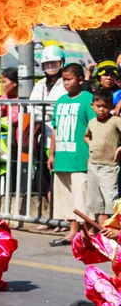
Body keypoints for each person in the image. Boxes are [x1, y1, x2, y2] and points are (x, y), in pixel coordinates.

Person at [48, 63, 96, 247]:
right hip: (62, 157)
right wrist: (51, 154)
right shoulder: (60, 101)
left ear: (81, 80)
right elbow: (55, 129)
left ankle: (88, 233)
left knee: (82, 197)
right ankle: (72, 232)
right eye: (64, 80)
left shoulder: (87, 99)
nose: (66, 83)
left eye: (70, 79)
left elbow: (94, 128)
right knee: (67, 199)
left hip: (80, 158)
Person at [29, 46, 67, 230]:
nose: (51, 66)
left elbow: (59, 108)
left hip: (61, 138)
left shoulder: (65, 83)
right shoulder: (40, 84)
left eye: (54, 63)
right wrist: (47, 111)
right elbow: (32, 108)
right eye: (47, 63)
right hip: (43, 138)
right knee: (43, 181)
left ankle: (65, 219)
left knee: (60, 181)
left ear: (61, 64)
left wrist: (45, 111)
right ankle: (54, 218)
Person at [70, 202, 121, 306]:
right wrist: (84, 240)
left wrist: (119, 235)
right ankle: (117, 305)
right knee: (91, 272)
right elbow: (85, 255)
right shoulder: (113, 243)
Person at [84, 89, 121, 227]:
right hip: (93, 165)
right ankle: (102, 230)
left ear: (111, 107)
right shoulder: (92, 122)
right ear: (92, 105)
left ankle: (113, 231)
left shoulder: (115, 121)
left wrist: (119, 148)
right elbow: (86, 136)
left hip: (109, 167)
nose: (102, 110)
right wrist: (91, 145)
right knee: (96, 202)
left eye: (105, 106)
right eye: (98, 106)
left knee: (110, 201)